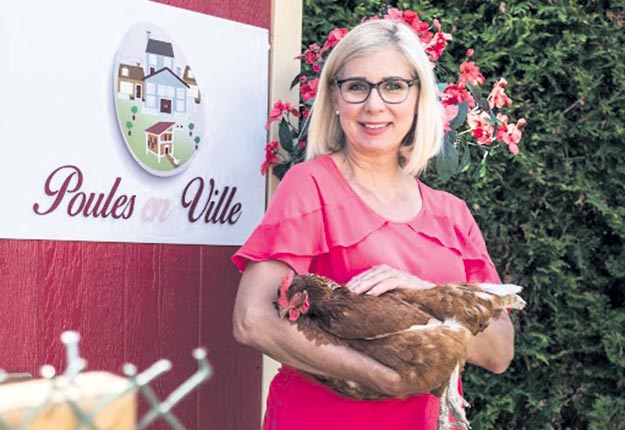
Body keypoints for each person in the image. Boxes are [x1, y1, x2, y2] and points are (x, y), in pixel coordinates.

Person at [232, 18, 515, 430]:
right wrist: (385, 377)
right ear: (335, 96)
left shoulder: (452, 216)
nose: (374, 105)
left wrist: (428, 295)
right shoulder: (312, 186)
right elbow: (252, 319)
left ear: (419, 97)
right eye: (356, 86)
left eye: (394, 86)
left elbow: (499, 352)